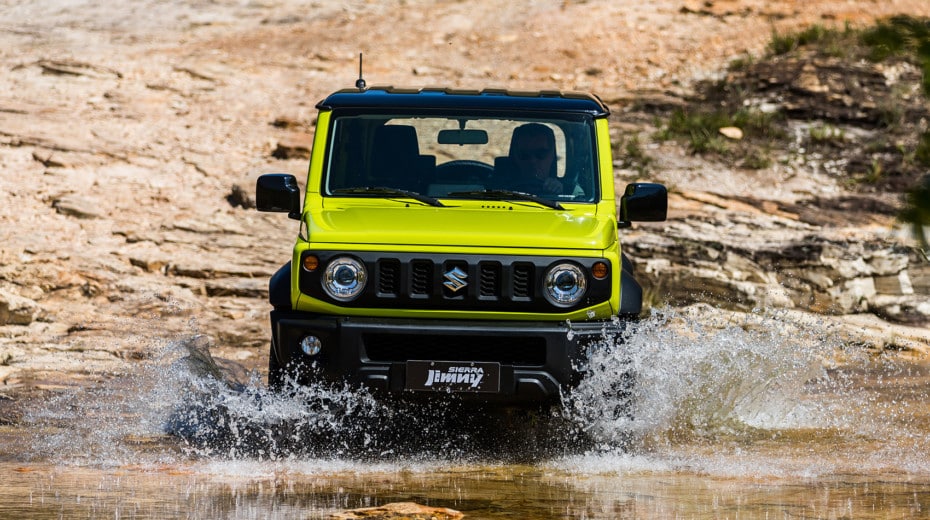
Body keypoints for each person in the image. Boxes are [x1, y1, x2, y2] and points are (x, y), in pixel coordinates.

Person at [508, 123, 583, 196]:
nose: (532, 161)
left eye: (541, 154)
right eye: (524, 154)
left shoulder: (572, 192)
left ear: (552, 156)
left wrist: (561, 194)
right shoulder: (498, 188)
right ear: (515, 157)